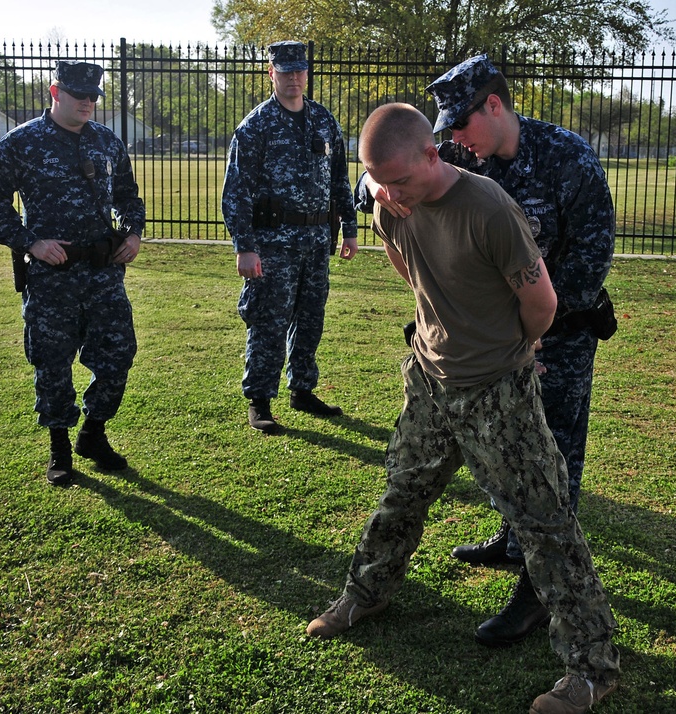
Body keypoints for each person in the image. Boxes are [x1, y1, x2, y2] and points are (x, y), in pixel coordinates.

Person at [307, 103, 620, 714]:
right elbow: (406, 262)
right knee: (402, 494)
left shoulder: (490, 209)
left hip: (497, 390)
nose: (390, 193)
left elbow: (543, 302)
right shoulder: (389, 199)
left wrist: (520, 348)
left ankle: (591, 667)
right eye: (379, 181)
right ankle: (365, 593)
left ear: (433, 154)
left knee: (544, 523)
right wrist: (377, 190)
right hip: (429, 379)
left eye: (398, 180)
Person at [357, 54, 617, 647]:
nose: (452, 139)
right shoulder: (455, 157)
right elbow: (380, 174)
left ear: (493, 106)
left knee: (550, 461)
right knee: (505, 455)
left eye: (460, 125)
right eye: (444, 132)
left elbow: (590, 256)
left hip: (557, 334)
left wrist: (533, 336)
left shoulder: (567, 158)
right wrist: (373, 185)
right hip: (491, 340)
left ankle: (535, 594)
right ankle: (508, 542)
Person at [0, 60, 145, 486]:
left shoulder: (106, 142)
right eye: (78, 95)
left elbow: (129, 195)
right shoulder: (21, 143)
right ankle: (59, 448)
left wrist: (133, 232)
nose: (87, 102)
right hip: (53, 276)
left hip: (103, 272)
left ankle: (92, 433)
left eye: (93, 96)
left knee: (118, 353)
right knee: (53, 362)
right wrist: (30, 241)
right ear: (55, 92)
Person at [221, 40, 358, 435]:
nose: (294, 78)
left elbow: (339, 180)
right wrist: (244, 247)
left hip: (316, 240)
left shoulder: (323, 121)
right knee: (268, 320)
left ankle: (302, 388)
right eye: (286, 71)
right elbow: (237, 192)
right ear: (271, 74)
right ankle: (260, 399)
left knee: (311, 317)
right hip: (272, 243)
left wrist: (348, 229)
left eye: (300, 71)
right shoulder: (256, 126)